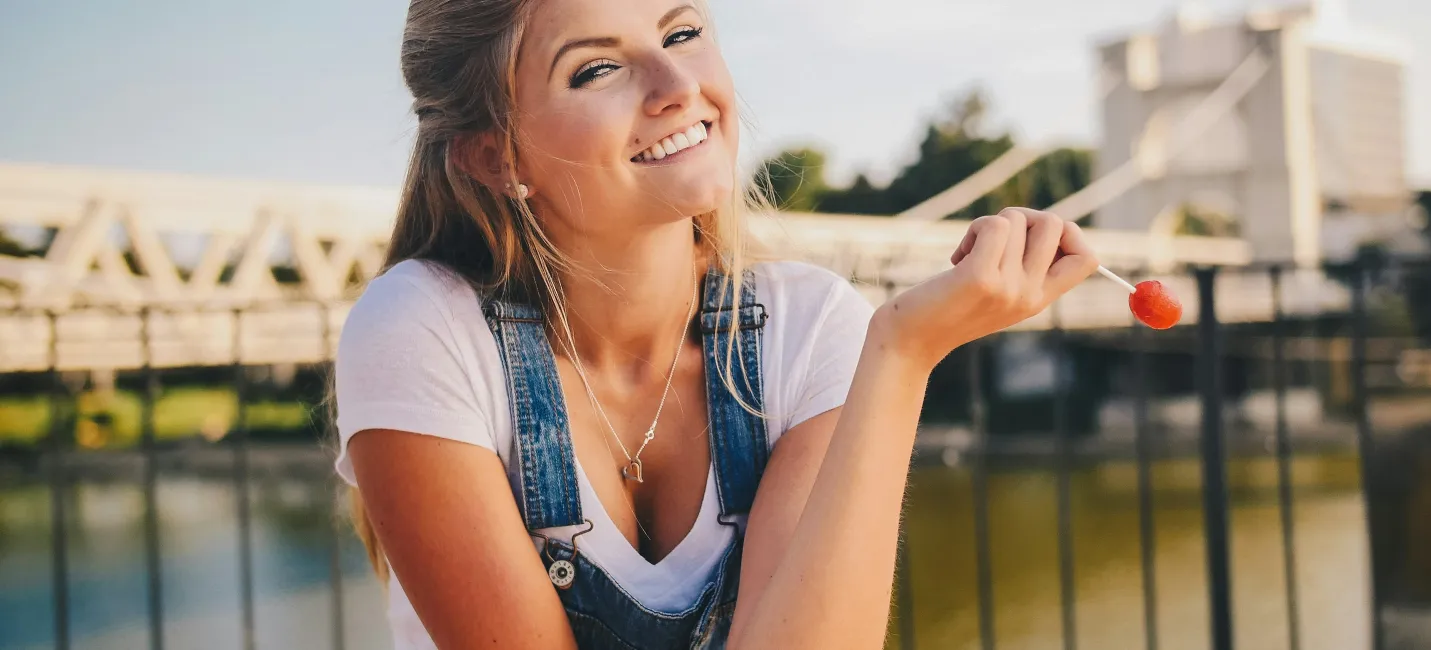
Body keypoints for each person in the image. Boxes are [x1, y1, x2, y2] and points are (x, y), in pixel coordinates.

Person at [332, 0, 1099, 647]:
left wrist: (900, 356)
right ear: (496, 157)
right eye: (597, 69)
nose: (676, 86)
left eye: (682, 32)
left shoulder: (809, 328)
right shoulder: (424, 332)